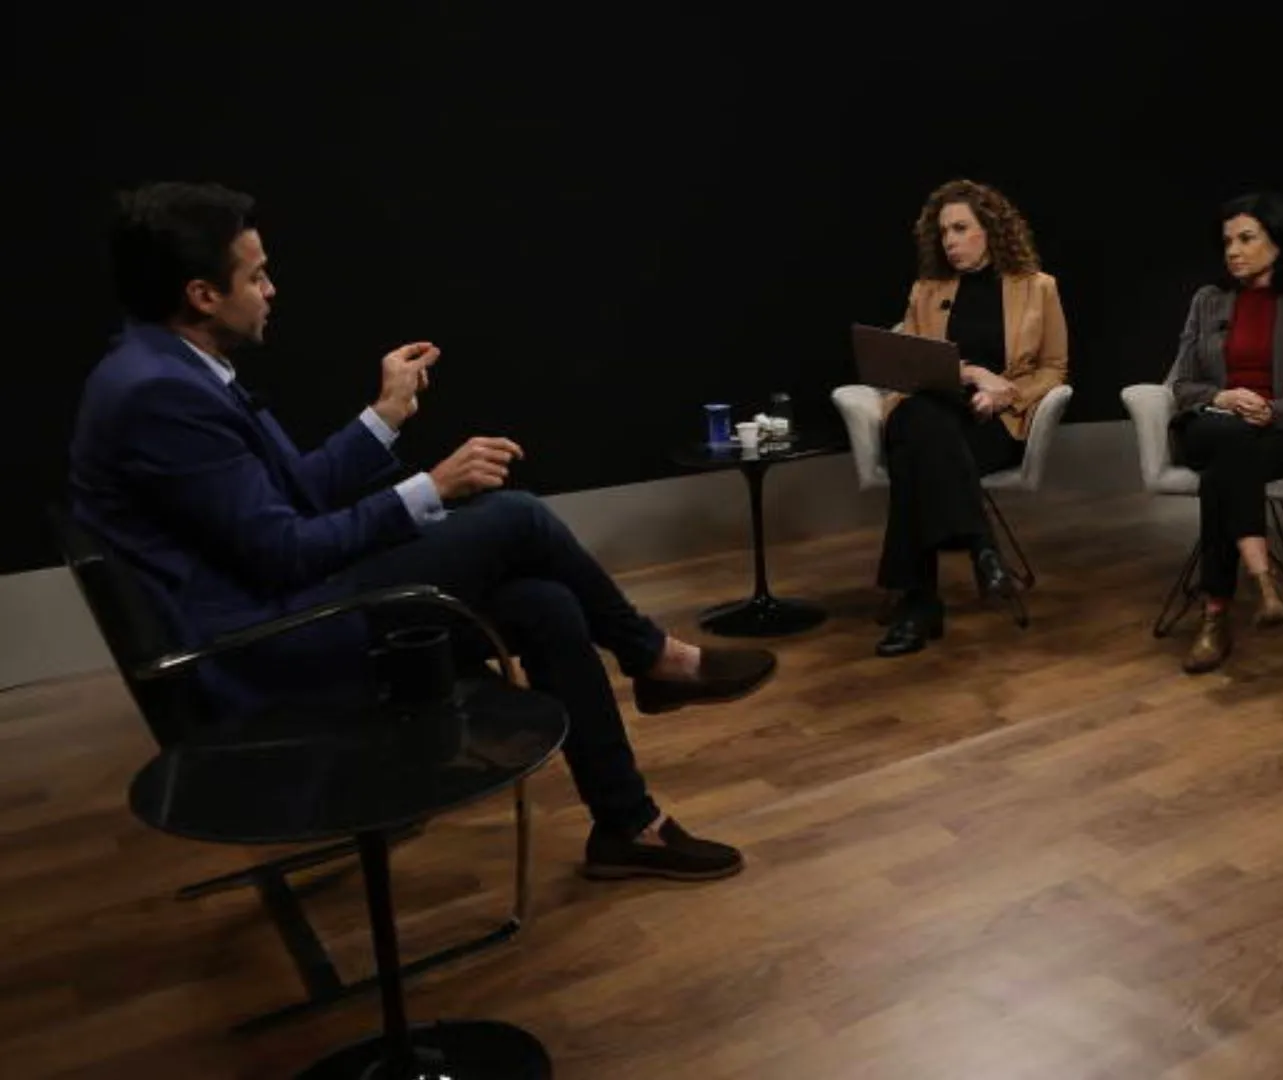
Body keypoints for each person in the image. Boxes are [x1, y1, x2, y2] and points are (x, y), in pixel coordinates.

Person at [70, 181, 778, 880]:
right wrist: (430, 489)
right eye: (255, 277)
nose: (271, 290)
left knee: (544, 603)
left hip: (278, 604)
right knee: (518, 517)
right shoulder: (161, 394)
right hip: (264, 644)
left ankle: (628, 825)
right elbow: (284, 552)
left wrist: (385, 416)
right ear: (202, 294)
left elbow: (284, 499)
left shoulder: (168, 366)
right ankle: (655, 658)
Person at [873, 178, 1068, 657]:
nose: (950, 241)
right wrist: (975, 373)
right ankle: (981, 545)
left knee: (915, 457)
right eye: (943, 232)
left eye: (961, 228)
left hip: (990, 423)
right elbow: (912, 367)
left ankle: (918, 604)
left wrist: (1006, 396)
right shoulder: (927, 290)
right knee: (923, 417)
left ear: (991, 229)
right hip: (929, 405)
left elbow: (1054, 368)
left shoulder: (1038, 288)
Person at [1165, 192, 1283, 674]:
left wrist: (1273, 409)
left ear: (1279, 243)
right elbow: (1181, 384)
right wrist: (1222, 398)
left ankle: (1215, 613)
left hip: (1278, 430)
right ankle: (1262, 579)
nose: (1233, 251)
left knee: (1224, 471)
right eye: (1227, 242)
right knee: (1229, 438)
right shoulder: (1208, 300)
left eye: (1246, 239)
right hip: (1209, 423)